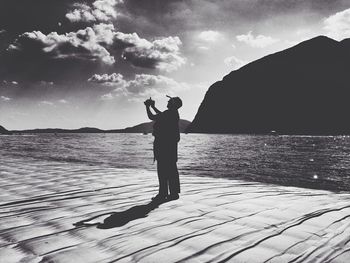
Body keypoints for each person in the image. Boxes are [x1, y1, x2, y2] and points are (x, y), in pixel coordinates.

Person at [144, 95, 182, 202]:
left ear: (174, 104)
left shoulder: (170, 113)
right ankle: (171, 193)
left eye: (170, 101)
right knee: (170, 169)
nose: (168, 101)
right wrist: (152, 107)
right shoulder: (172, 113)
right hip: (168, 146)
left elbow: (154, 117)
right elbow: (159, 115)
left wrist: (148, 106)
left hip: (164, 146)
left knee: (164, 169)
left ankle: (164, 193)